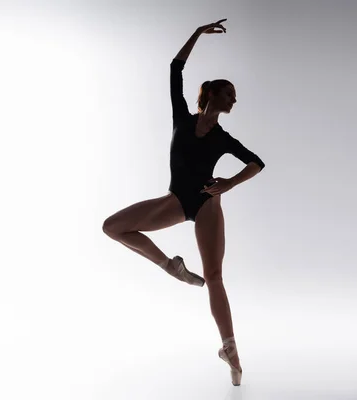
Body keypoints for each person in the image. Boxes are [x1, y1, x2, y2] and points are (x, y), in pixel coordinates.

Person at [102, 19, 265, 386]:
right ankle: (170, 267)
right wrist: (197, 33)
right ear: (211, 95)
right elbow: (175, 69)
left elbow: (256, 163)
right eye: (229, 94)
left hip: (206, 206)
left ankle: (230, 349)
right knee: (113, 227)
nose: (234, 99)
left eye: (234, 96)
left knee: (214, 277)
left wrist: (228, 184)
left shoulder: (223, 137)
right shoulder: (182, 118)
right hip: (176, 200)